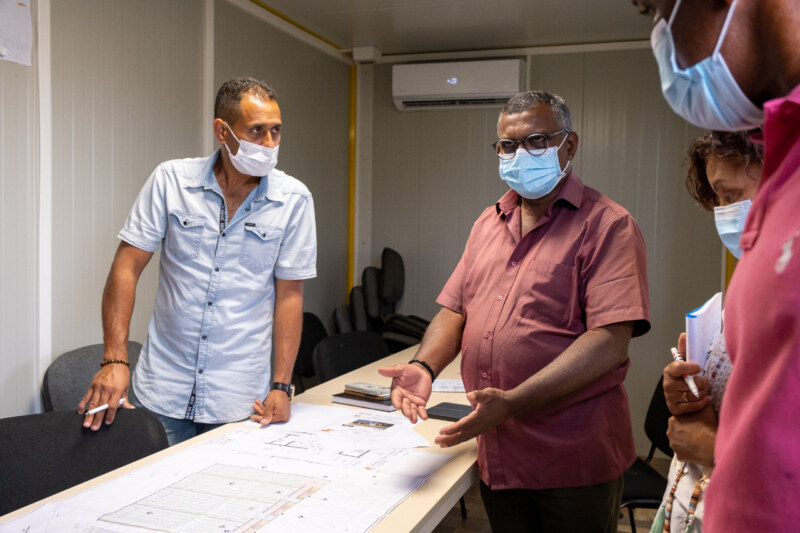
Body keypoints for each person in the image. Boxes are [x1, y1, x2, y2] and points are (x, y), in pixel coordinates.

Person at [379, 90, 650, 533]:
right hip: (500, 449)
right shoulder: (489, 223)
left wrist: (513, 402)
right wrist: (424, 365)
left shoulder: (609, 225)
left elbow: (609, 342)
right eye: (507, 145)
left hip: (573, 458)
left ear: (570, 145)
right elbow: (455, 308)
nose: (520, 154)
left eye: (537, 141)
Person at [632, 0, 800, 529]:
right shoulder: (784, 164)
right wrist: (701, 410)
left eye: (655, 9)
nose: (660, 37)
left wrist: (713, 442)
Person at [77, 77, 316, 445]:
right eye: (256, 132)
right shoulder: (171, 181)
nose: (269, 144)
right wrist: (115, 360)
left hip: (240, 401)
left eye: (276, 131)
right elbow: (126, 268)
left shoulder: (293, 200)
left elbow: (290, 297)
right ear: (223, 131)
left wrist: (282, 385)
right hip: (162, 390)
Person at [654, 131, 762, 533]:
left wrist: (713, 448)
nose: (723, 210)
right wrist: (690, 394)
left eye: (731, 195)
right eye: (718, 198)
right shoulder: (746, 287)